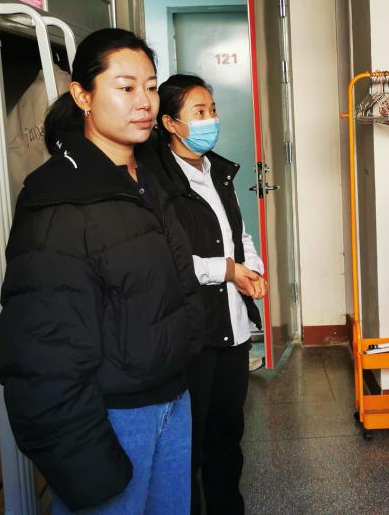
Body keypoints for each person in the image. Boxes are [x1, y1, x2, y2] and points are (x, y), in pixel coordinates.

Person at [0, 29, 204, 514]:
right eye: (125, 87)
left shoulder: (146, 178)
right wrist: (86, 464)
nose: (144, 102)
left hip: (173, 401)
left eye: (150, 87)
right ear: (83, 96)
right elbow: (42, 354)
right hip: (112, 418)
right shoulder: (58, 198)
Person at [139, 74, 265, 515]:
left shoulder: (218, 172)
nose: (211, 119)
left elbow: (238, 233)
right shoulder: (156, 181)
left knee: (227, 437)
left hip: (233, 329)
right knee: (187, 446)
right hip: (194, 333)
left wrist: (251, 268)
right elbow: (164, 260)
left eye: (212, 109)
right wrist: (225, 270)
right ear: (170, 123)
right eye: (199, 112)